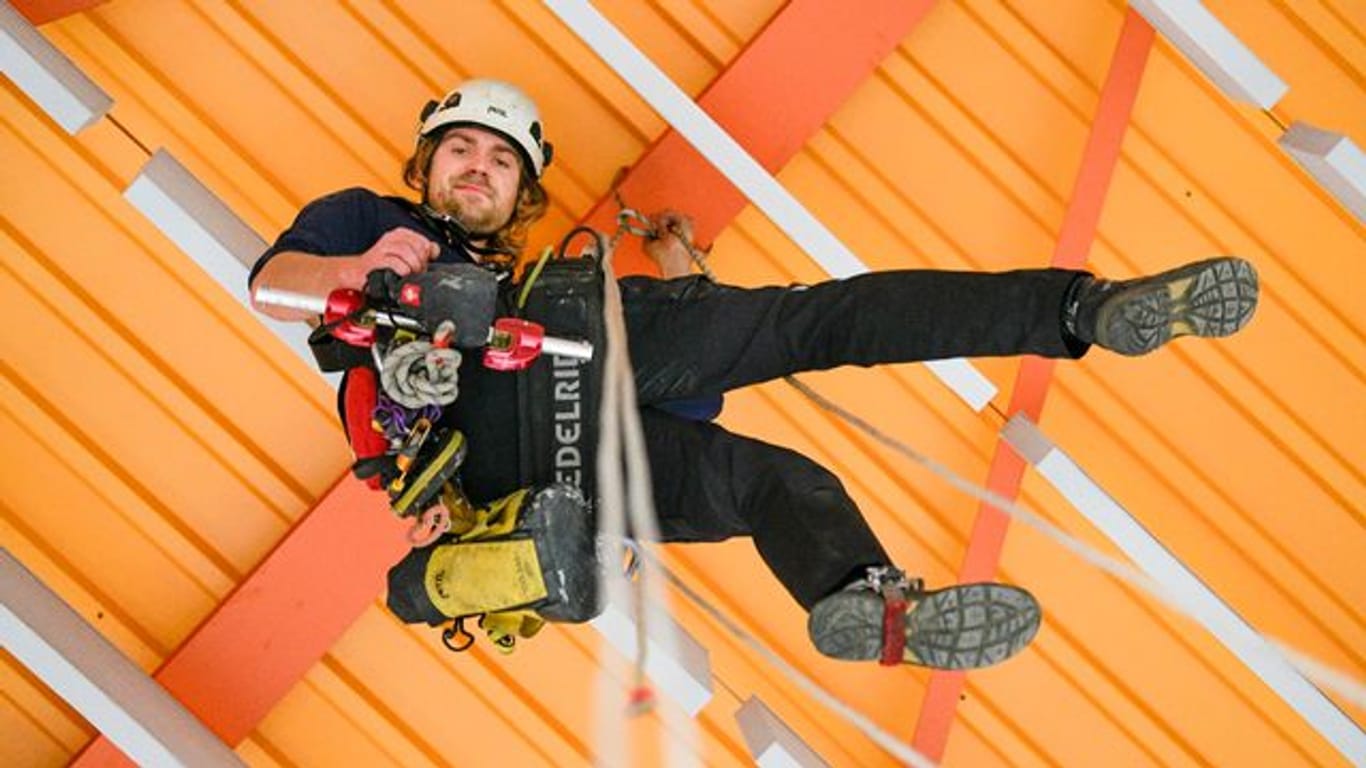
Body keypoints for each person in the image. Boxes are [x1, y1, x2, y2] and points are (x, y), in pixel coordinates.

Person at [249, 78, 1259, 670]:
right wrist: (359, 272)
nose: (475, 167)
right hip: (487, 425)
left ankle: (873, 603)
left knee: (781, 467)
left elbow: (690, 375)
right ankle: (1072, 310)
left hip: (575, 405)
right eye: (459, 149)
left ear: (521, 193)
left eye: (499, 161)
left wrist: (686, 278)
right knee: (812, 324)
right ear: (425, 165)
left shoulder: (524, 273)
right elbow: (272, 287)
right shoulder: (364, 225)